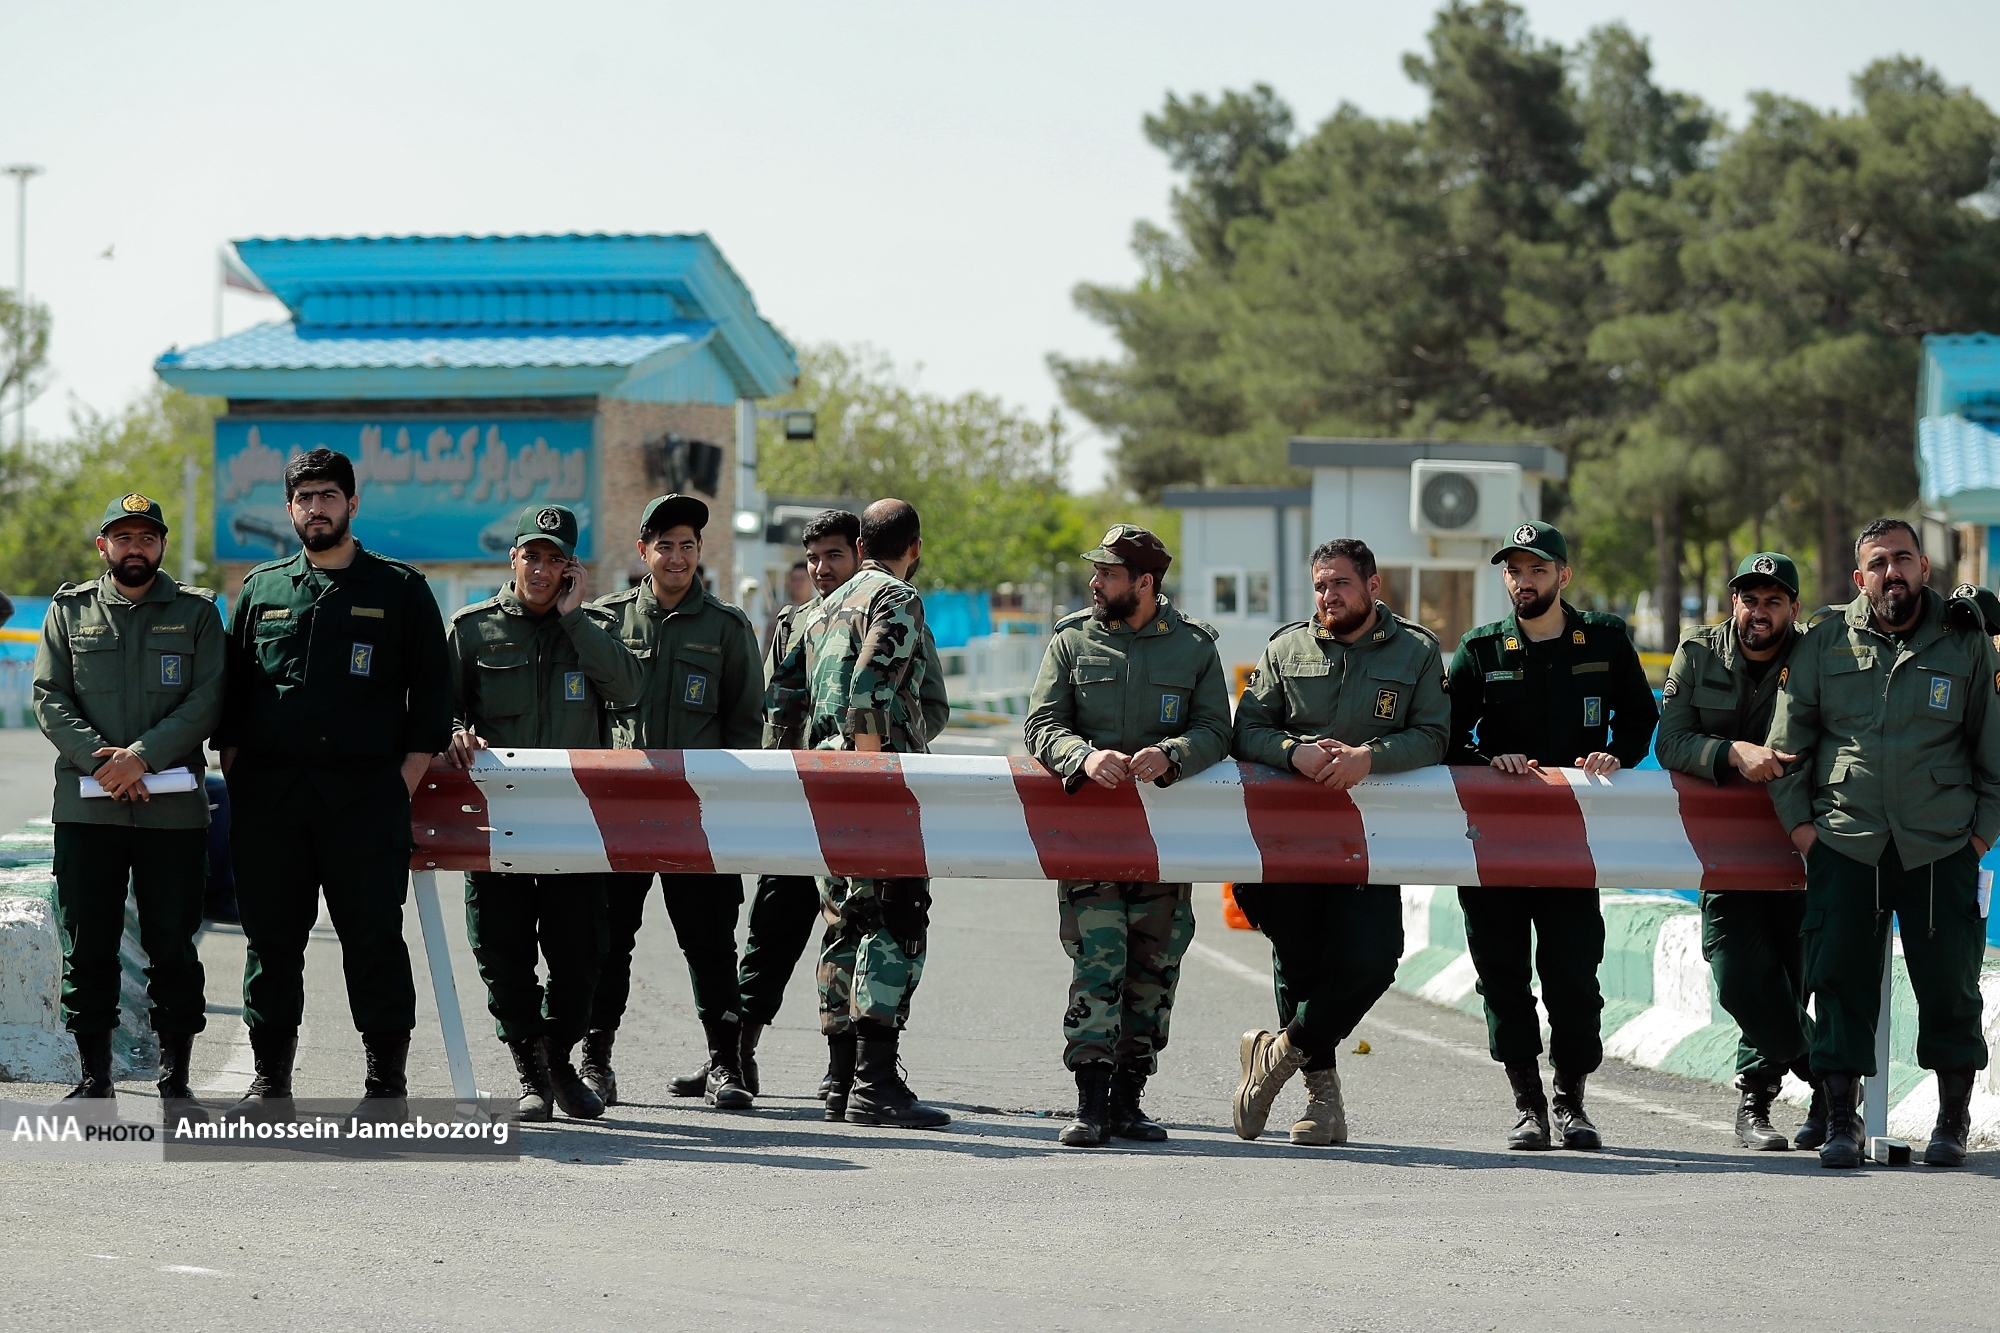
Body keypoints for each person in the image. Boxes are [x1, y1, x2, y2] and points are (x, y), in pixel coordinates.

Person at [217, 447, 453, 1120]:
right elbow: (233, 695)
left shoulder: (400, 589)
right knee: (271, 943)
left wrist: (400, 783)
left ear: (353, 503)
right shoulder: (262, 590)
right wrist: (239, 770)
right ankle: (270, 1084)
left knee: (373, 940)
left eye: (327, 496)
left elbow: (432, 696)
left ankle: (385, 1088)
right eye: (304, 498)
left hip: (364, 802)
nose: (315, 508)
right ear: (289, 508)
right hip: (272, 802)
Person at [1766, 519, 2000, 1169]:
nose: (1891, 571)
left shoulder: (1965, 642)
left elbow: (1994, 750)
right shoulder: (1823, 642)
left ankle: (1952, 1120)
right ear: (1859, 577)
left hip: (1940, 845)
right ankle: (1841, 1118)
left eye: (1902, 559)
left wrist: (1980, 835)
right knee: (1839, 982)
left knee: (1951, 986)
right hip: (1847, 843)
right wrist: (1805, 834)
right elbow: (1788, 747)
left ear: (1924, 567)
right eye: (1878, 562)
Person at [1445, 520, 1657, 1151]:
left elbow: (1640, 717)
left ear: (1563, 575)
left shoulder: (1606, 638)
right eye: (1513, 571)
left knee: (1573, 977)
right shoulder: (1480, 650)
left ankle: (1571, 1101)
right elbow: (1446, 736)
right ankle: (1527, 1105)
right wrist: (1490, 761)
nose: (1523, 581)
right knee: (1502, 977)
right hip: (1495, 841)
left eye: (1537, 569)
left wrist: (1615, 755)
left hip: (1574, 841)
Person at [1229, 538, 1447, 1145]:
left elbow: (1434, 735)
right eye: (1321, 585)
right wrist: (1291, 751)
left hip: (1368, 840)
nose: (1328, 596)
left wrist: (1368, 758)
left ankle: (1276, 1055)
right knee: (1299, 965)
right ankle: (1322, 1104)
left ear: (1373, 586)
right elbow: (1247, 729)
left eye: (1341, 584)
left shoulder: (1416, 651)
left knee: (1373, 960)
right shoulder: (1285, 648)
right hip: (1288, 839)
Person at [1024, 524, 1232, 1147]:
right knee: (1098, 962)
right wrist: (1083, 757)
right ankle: (1089, 1101)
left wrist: (1173, 754)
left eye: (1108, 574)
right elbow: (1041, 724)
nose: (1095, 582)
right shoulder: (1071, 640)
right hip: (1090, 840)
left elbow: (1216, 729)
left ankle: (1128, 1101)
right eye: (1096, 571)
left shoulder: (1194, 647)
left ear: (1144, 582)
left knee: (1154, 968)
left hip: (1166, 843)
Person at [446, 503, 641, 1122]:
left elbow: (629, 689)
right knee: (502, 951)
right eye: (532, 556)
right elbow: (440, 707)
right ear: (513, 559)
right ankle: (531, 1070)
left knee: (581, 955)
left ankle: (559, 1056)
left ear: (571, 568)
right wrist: (454, 732)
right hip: (496, 820)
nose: (541, 569)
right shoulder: (472, 628)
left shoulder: (595, 625)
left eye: (555, 560)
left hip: (573, 824)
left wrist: (575, 618)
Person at [32, 493, 224, 1108]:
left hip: (172, 811)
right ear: (103, 546)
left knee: (173, 945)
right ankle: (94, 1077)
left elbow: (208, 698)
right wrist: (104, 763)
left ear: (162, 544)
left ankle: (176, 1078)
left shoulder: (197, 613)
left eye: (146, 537)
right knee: (88, 943)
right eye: (123, 537)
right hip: (89, 808)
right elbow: (49, 695)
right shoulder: (70, 612)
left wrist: (141, 757)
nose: (134, 547)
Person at [766, 498, 951, 1129]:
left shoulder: (820, 609)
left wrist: (788, 777)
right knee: (894, 919)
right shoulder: (894, 596)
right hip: (876, 784)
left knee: (843, 920)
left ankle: (840, 1079)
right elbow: (870, 687)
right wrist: (870, 770)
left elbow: (782, 699)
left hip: (823, 783)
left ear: (862, 546)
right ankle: (876, 1083)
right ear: (914, 549)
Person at [584, 494, 763, 1110]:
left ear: (700, 551)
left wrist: (731, 815)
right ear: (643, 551)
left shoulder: (727, 628)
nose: (677, 557)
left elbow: (745, 727)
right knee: (607, 942)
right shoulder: (605, 622)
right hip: (621, 814)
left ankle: (724, 1064)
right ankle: (596, 1061)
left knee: (709, 941)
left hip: (698, 816)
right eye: (665, 546)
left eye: (688, 545)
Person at [1656, 552, 1816, 1150]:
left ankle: (1757, 1102)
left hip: (1798, 840)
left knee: (1791, 976)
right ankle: (1828, 1073)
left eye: (1773, 601)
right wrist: (1732, 753)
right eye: (1749, 600)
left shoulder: (1815, 655)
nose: (1759, 612)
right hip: (1724, 852)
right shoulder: (1699, 652)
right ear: (1734, 604)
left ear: (1793, 608)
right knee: (1739, 976)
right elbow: (1670, 740)